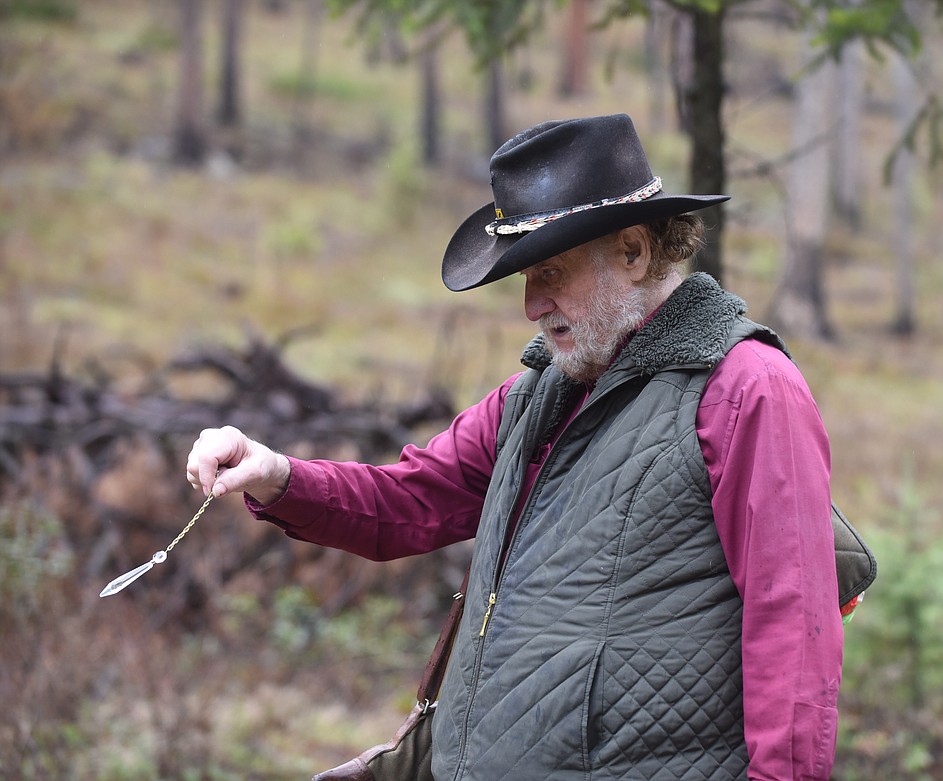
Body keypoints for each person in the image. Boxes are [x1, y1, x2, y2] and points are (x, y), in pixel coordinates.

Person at [187, 113, 843, 781]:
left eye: (550, 272)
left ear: (634, 252)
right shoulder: (535, 397)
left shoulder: (748, 389)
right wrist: (275, 474)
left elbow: (793, 636)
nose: (531, 303)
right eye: (525, 277)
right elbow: (406, 501)